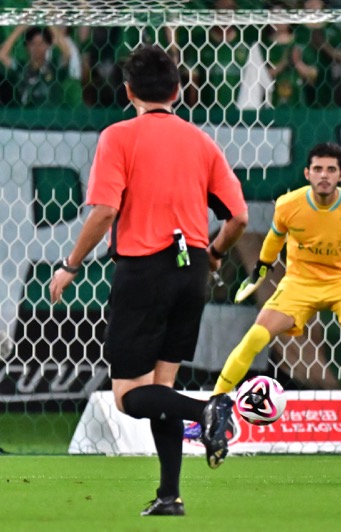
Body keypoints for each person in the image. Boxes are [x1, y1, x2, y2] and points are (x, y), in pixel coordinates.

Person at [48, 45, 248, 516]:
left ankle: (207, 412)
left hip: (145, 268)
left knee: (128, 396)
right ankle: (169, 495)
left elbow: (105, 211)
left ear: (128, 91)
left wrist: (71, 264)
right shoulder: (201, 142)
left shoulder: (119, 137)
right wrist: (215, 255)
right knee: (163, 385)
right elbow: (236, 217)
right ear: (178, 91)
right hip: (192, 269)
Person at [208, 142, 341, 440]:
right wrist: (259, 274)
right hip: (299, 283)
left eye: (331, 170)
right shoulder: (288, 204)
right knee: (256, 337)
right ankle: (211, 411)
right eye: (318, 169)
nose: (324, 175)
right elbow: (274, 240)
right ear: (307, 173)